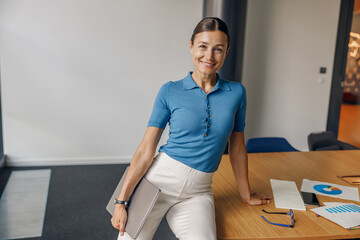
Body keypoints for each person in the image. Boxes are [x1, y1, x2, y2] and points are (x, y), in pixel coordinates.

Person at [111, 17, 272, 240]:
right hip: (158, 183)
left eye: (218, 49)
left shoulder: (236, 93)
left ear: (226, 52)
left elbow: (237, 149)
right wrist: (122, 201)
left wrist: (245, 195)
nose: (209, 56)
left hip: (198, 192)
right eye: (203, 47)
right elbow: (146, 149)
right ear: (191, 47)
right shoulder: (169, 90)